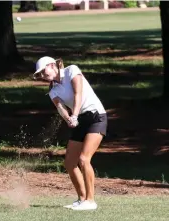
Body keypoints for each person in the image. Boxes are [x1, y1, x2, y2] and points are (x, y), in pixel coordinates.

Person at [33, 56, 107, 211]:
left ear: (52, 65)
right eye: (39, 74)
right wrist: (68, 119)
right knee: (69, 162)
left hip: (96, 117)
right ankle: (82, 198)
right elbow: (60, 108)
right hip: (79, 119)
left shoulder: (71, 70)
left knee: (84, 159)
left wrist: (74, 114)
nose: (42, 75)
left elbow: (78, 93)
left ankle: (91, 201)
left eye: (43, 71)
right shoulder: (53, 89)